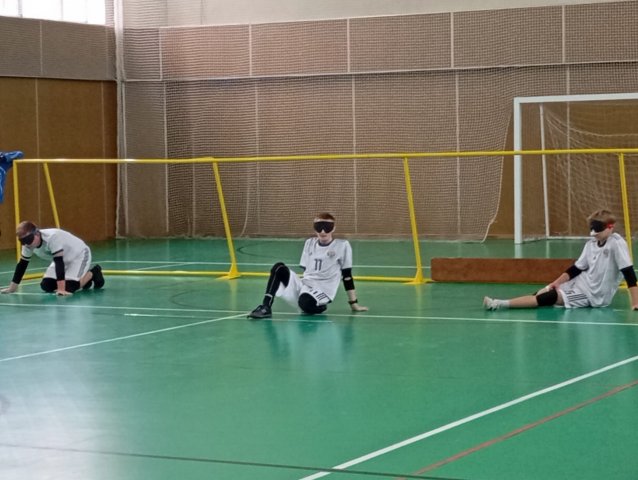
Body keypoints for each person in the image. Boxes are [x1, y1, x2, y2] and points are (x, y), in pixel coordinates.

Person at [483, 209, 638, 311]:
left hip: (593, 295)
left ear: (610, 227)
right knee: (544, 291)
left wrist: (635, 302)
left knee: (548, 297)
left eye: (598, 231)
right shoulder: (591, 244)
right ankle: (504, 302)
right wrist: (556, 282)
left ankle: (499, 304)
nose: (594, 234)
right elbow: (576, 269)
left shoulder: (616, 244)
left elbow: (629, 273)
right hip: (580, 282)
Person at [248, 212, 368, 319]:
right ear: (314, 228)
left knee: (305, 302)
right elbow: (306, 270)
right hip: (305, 286)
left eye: (327, 227)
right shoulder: (309, 243)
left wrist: (354, 304)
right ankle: (265, 307)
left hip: (323, 290)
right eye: (319, 227)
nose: (323, 232)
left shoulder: (342, 246)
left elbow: (347, 276)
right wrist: (300, 287)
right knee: (278, 268)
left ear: (333, 228)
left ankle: (319, 305)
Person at [1, 221, 104, 296]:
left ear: (37, 233)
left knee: (69, 287)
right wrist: (12, 288)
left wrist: (61, 289)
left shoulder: (52, 237)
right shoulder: (28, 245)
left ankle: (93, 272)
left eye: (29, 239)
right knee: (46, 285)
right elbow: (22, 265)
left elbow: (59, 262)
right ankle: (83, 281)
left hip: (79, 255)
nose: (27, 244)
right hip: (61, 258)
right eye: (23, 241)